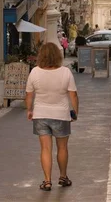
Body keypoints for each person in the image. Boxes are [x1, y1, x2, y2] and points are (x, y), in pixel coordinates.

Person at [25, 43, 79, 191]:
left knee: (45, 149)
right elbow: (73, 94)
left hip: (41, 114)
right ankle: (63, 176)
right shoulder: (65, 72)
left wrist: (29, 110)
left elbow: (29, 94)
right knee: (62, 148)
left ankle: (47, 181)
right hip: (61, 114)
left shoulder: (34, 72)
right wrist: (75, 111)